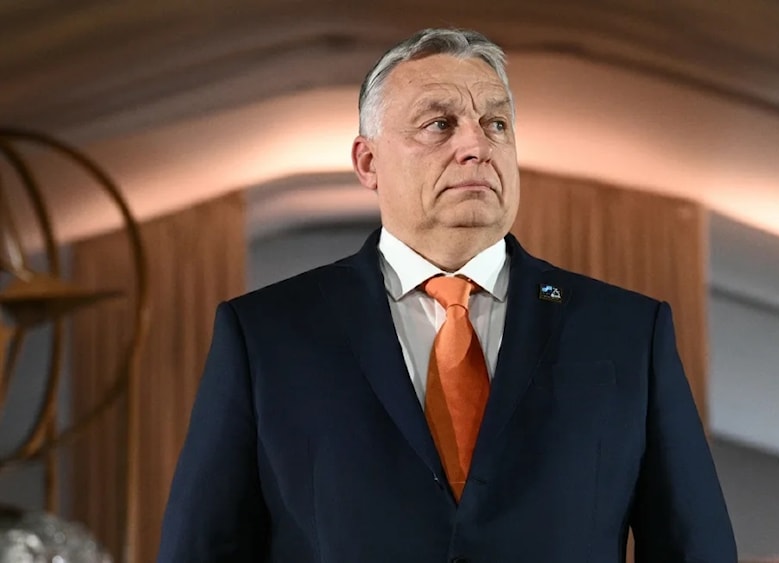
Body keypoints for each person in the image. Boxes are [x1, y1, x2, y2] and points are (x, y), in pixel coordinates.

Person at [158, 28, 737, 562]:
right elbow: (205, 549)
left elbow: (694, 548)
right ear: (368, 162)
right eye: (440, 124)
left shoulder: (627, 332)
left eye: (496, 124)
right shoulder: (266, 336)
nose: (476, 146)